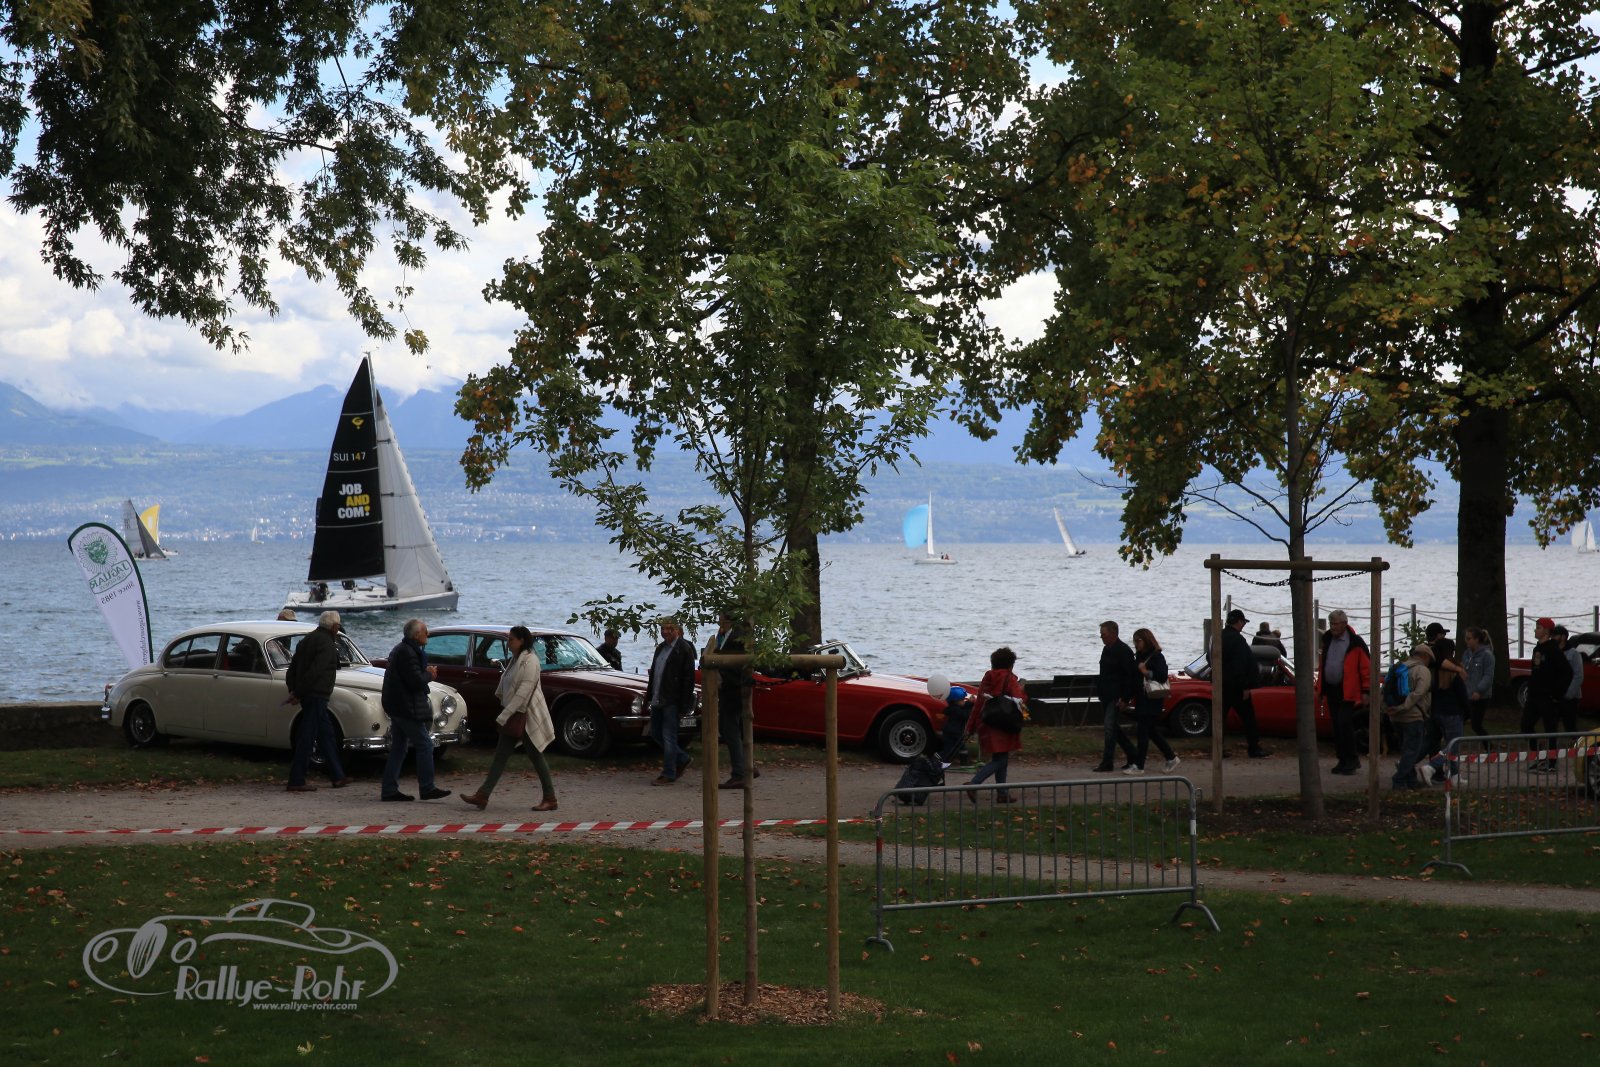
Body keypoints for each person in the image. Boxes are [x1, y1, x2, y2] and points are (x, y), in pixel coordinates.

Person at [460, 625, 558, 812]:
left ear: (522, 641)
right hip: (514, 715)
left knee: (535, 755)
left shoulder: (530, 661)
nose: (508, 643)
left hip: (525, 716)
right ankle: (482, 795)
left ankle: (550, 798)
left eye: (511, 639)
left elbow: (523, 693)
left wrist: (504, 716)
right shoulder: (516, 660)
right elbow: (509, 686)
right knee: (500, 757)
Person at [379, 618, 451, 802]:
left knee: (399, 748)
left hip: (398, 705)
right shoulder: (407, 652)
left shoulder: (403, 650)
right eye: (425, 631)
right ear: (416, 634)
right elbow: (414, 682)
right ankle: (427, 787)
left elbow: (410, 677)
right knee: (425, 744)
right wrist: (429, 675)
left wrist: (424, 673)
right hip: (405, 707)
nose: (428, 634)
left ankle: (389, 789)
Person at [282, 609, 353, 792]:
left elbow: (293, 668)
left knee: (326, 736)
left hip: (309, 695)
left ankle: (337, 776)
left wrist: (294, 689)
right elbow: (317, 671)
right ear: (335, 627)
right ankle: (296, 779)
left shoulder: (307, 640)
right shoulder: (327, 644)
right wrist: (298, 692)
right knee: (307, 737)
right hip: (317, 695)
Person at [966, 647, 1026, 802]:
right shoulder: (1010, 679)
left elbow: (978, 704)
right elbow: (1019, 700)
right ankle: (974, 784)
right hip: (1004, 724)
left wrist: (970, 727)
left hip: (987, 721)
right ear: (1011, 665)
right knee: (1000, 760)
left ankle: (1002, 793)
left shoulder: (987, 678)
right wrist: (1022, 691)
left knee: (1001, 757)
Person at [707, 612, 758, 789]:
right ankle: (747, 764)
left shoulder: (737, 636)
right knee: (729, 727)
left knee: (730, 729)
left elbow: (738, 664)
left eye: (720, 616)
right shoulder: (725, 635)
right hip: (729, 688)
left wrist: (723, 672)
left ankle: (739, 772)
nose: (718, 618)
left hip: (734, 688)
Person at [1318, 609, 1371, 776]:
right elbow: (1324, 664)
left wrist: (1366, 690)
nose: (1333, 627)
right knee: (1336, 725)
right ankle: (1342, 759)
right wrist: (1320, 688)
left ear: (1344, 624)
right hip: (1332, 689)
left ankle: (1352, 759)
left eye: (1336, 624)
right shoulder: (1327, 640)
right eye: (1331, 624)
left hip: (1348, 690)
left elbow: (1366, 668)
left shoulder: (1355, 642)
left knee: (1344, 723)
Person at [645, 617, 696, 785]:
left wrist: (684, 706)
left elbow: (688, 680)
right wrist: (649, 697)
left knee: (668, 736)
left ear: (678, 631)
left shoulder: (684, 649)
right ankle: (682, 758)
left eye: (669, 628)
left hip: (672, 701)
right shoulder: (660, 648)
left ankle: (668, 772)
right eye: (663, 628)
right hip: (658, 697)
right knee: (655, 733)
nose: (665, 631)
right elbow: (655, 674)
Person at [1127, 628, 1179, 774]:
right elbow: (1134, 680)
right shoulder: (1139, 657)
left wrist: (1146, 672)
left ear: (1146, 640)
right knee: (1150, 731)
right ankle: (1171, 757)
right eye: (1134, 641)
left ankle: (1139, 765)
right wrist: (1127, 697)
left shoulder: (1156, 656)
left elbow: (1162, 676)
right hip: (1141, 698)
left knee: (1143, 731)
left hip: (1152, 699)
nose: (1136, 644)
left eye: (1138, 640)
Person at [1523, 617, 1571, 773]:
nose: (1535, 630)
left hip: (1548, 697)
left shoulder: (1553, 649)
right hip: (1534, 695)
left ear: (1546, 631)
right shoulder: (1537, 649)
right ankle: (1540, 755)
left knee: (1550, 729)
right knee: (1526, 726)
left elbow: (1567, 672)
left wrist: (1557, 694)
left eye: (1538, 627)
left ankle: (1551, 762)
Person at [1218, 608, 1268, 758]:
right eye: (1243, 622)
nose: (1243, 625)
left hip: (1222, 685)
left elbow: (1209, 657)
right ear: (1239, 622)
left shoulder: (1219, 636)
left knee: (1220, 718)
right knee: (1248, 718)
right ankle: (1254, 748)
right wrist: (1245, 686)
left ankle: (1218, 749)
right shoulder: (1238, 640)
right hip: (1237, 687)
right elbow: (1240, 664)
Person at [1418, 638, 1468, 786]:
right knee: (1453, 745)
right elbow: (1462, 695)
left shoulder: (1434, 669)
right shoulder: (1454, 671)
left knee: (1446, 743)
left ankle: (1455, 775)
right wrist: (1468, 712)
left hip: (1437, 711)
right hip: (1453, 712)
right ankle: (1431, 767)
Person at [1092, 621, 1140, 772]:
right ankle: (1133, 754)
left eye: (1103, 634)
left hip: (1116, 696)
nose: (1101, 637)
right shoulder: (1106, 649)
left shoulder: (1123, 651)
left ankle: (1108, 761)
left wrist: (1125, 698)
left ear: (1113, 634)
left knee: (1109, 726)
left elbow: (1130, 677)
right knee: (1112, 727)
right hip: (1106, 694)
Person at [1384, 645, 1434, 790]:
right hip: (1413, 716)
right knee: (1412, 751)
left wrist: (1388, 709)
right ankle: (1398, 780)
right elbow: (1419, 693)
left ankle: (1411, 780)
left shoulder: (1398, 668)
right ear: (1425, 656)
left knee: (1406, 750)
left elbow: (1384, 690)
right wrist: (1404, 707)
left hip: (1395, 717)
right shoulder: (1422, 670)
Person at [1461, 626, 1495, 736]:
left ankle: (1488, 743)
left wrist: (1479, 691)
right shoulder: (1467, 653)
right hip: (1467, 693)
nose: (1466, 641)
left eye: (1469, 638)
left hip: (1480, 696)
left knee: (1476, 725)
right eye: (1465, 638)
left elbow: (1488, 676)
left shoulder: (1487, 655)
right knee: (1460, 719)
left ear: (1476, 639)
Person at [938, 685, 975, 766]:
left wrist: (970, 702)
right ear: (955, 701)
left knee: (950, 748)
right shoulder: (955, 710)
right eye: (962, 700)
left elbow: (964, 706)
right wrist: (970, 706)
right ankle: (963, 764)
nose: (964, 701)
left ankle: (941, 760)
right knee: (958, 748)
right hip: (954, 732)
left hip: (951, 732)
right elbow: (966, 715)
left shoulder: (955, 707)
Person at [1558, 625, 1583, 736]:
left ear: (1563, 637)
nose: (1552, 637)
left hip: (1570, 696)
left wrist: (1569, 694)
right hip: (1557, 694)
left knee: (1570, 726)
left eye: (1555, 635)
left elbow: (1578, 675)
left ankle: (1576, 744)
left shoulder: (1573, 653)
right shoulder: (1554, 652)